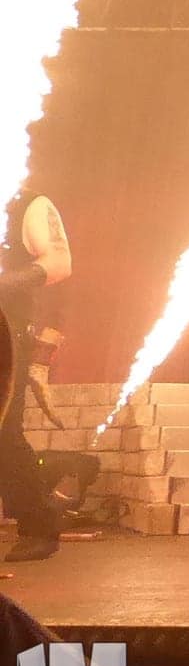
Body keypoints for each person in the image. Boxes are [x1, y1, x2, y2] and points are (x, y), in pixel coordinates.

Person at [1, 192, 72, 562]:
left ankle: (40, 524)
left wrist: (4, 284)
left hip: (5, 332)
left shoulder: (27, 203)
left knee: (3, 433)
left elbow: (60, 262)